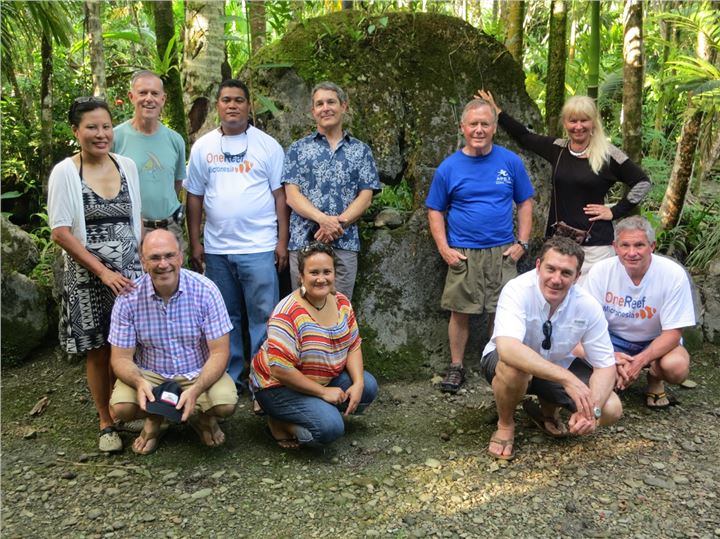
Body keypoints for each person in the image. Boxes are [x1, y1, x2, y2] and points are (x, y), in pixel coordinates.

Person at [47, 96, 143, 453]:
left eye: (105, 127)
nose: (100, 134)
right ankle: (106, 421)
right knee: (99, 349)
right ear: (76, 131)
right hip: (89, 277)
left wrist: (142, 261)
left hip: (130, 275)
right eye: (91, 127)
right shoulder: (66, 172)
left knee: (133, 344)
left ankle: (133, 407)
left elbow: (136, 221)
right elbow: (61, 232)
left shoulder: (127, 165)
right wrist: (103, 272)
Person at [476, 90, 651, 280]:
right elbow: (524, 137)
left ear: (593, 123)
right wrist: (497, 112)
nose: (578, 127)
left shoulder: (608, 154)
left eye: (584, 120)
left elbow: (642, 182)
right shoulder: (558, 149)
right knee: (557, 300)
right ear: (565, 123)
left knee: (592, 304)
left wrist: (615, 211)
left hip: (595, 248)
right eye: (572, 121)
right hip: (559, 243)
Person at [185, 79, 289, 392]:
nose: (232, 105)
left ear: (248, 106)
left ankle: (262, 379)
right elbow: (194, 197)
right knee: (225, 317)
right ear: (217, 106)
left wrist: (281, 242)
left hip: (259, 247)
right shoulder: (203, 147)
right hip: (217, 250)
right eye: (226, 99)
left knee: (263, 316)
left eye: (239, 100)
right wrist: (195, 242)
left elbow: (281, 196)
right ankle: (229, 378)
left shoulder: (267, 146)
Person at [426, 97, 534, 394]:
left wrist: (522, 243)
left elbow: (525, 202)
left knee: (502, 311)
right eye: (473, 124)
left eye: (485, 123)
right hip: (463, 252)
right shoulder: (449, 167)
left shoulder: (509, 161)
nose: (478, 129)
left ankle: (498, 362)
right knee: (460, 311)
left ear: (494, 128)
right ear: (462, 127)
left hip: (502, 251)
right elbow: (435, 209)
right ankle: (457, 366)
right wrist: (444, 248)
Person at [479, 237, 622, 460]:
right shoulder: (517, 290)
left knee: (611, 408)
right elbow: (507, 349)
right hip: (506, 364)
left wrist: (591, 411)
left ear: (577, 277)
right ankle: (505, 424)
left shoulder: (588, 305)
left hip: (554, 365)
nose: (556, 279)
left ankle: (547, 411)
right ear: (538, 267)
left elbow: (605, 366)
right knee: (515, 369)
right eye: (550, 269)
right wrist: (568, 379)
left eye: (566, 273)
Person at [108, 229, 237, 454]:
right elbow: (120, 358)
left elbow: (219, 353)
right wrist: (139, 383)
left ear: (181, 256)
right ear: (143, 261)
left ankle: (201, 418)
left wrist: (196, 389)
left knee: (225, 403)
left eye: (169, 255)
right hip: (151, 373)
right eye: (155, 257)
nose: (163, 264)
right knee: (122, 408)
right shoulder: (128, 298)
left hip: (196, 370)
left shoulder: (206, 290)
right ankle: (156, 419)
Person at [249, 242, 378, 448]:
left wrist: (358, 382)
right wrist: (323, 392)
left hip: (321, 376)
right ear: (301, 276)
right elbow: (280, 370)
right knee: (330, 428)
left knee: (367, 386)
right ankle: (280, 423)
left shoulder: (342, 302)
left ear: (334, 273)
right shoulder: (287, 312)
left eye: (327, 272)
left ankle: (314, 410)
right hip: (279, 386)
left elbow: (353, 344)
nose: (321, 279)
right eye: (314, 272)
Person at [583, 216, 695, 409]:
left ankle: (654, 377)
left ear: (652, 246)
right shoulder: (601, 271)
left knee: (676, 367)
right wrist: (611, 355)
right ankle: (613, 373)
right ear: (615, 247)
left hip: (655, 339)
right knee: (583, 358)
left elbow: (673, 333)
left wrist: (639, 362)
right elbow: (586, 324)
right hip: (612, 337)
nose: (631, 253)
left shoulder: (673, 274)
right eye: (625, 245)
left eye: (639, 245)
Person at [284, 81, 380, 299]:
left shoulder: (360, 150)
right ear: (313, 111)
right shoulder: (298, 149)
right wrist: (322, 220)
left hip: (343, 242)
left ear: (343, 106)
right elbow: (292, 195)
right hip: (304, 241)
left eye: (331, 102)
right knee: (303, 311)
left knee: (340, 309)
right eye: (319, 104)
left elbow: (365, 196)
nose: (325, 108)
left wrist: (338, 224)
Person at [113, 70, 187, 248]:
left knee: (173, 275)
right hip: (130, 228)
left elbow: (176, 184)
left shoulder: (175, 140)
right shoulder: (115, 138)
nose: (149, 99)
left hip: (169, 228)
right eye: (143, 93)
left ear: (163, 99)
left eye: (154, 93)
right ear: (131, 97)